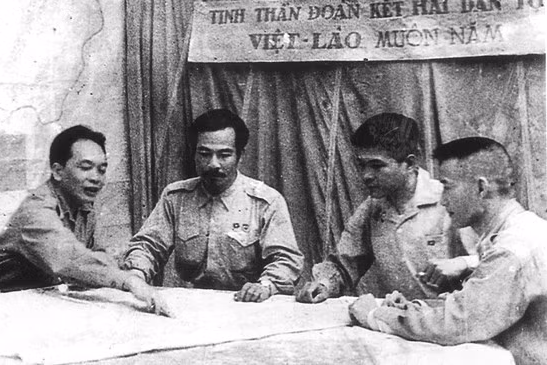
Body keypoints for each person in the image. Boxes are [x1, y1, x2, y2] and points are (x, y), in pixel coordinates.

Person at [350, 137, 547, 365]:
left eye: (447, 186)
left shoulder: (511, 249)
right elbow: (473, 303)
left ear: (481, 188)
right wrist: (416, 308)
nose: (442, 201)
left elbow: (460, 322)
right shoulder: (520, 229)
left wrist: (376, 316)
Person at [0, 125, 170, 315]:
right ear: (57, 171)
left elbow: (97, 254)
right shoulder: (36, 211)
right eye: (86, 167)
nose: (96, 178)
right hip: (2, 302)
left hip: (44, 300)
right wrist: (129, 282)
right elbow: (69, 259)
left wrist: (126, 275)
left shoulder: (83, 207)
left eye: (102, 169)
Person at [122, 109, 303, 303]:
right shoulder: (176, 197)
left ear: (240, 156)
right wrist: (137, 275)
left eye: (224, 155)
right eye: (204, 154)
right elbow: (148, 246)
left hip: (247, 307)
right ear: (194, 154)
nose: (213, 164)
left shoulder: (265, 201)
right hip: (190, 304)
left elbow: (286, 260)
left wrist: (265, 286)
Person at [297, 113, 475, 304]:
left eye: (376, 166)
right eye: (361, 165)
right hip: (397, 322)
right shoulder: (372, 208)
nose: (366, 175)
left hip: (446, 322)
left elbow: (497, 262)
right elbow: (344, 264)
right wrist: (323, 285)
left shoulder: (447, 201)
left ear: (411, 163)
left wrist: (463, 263)